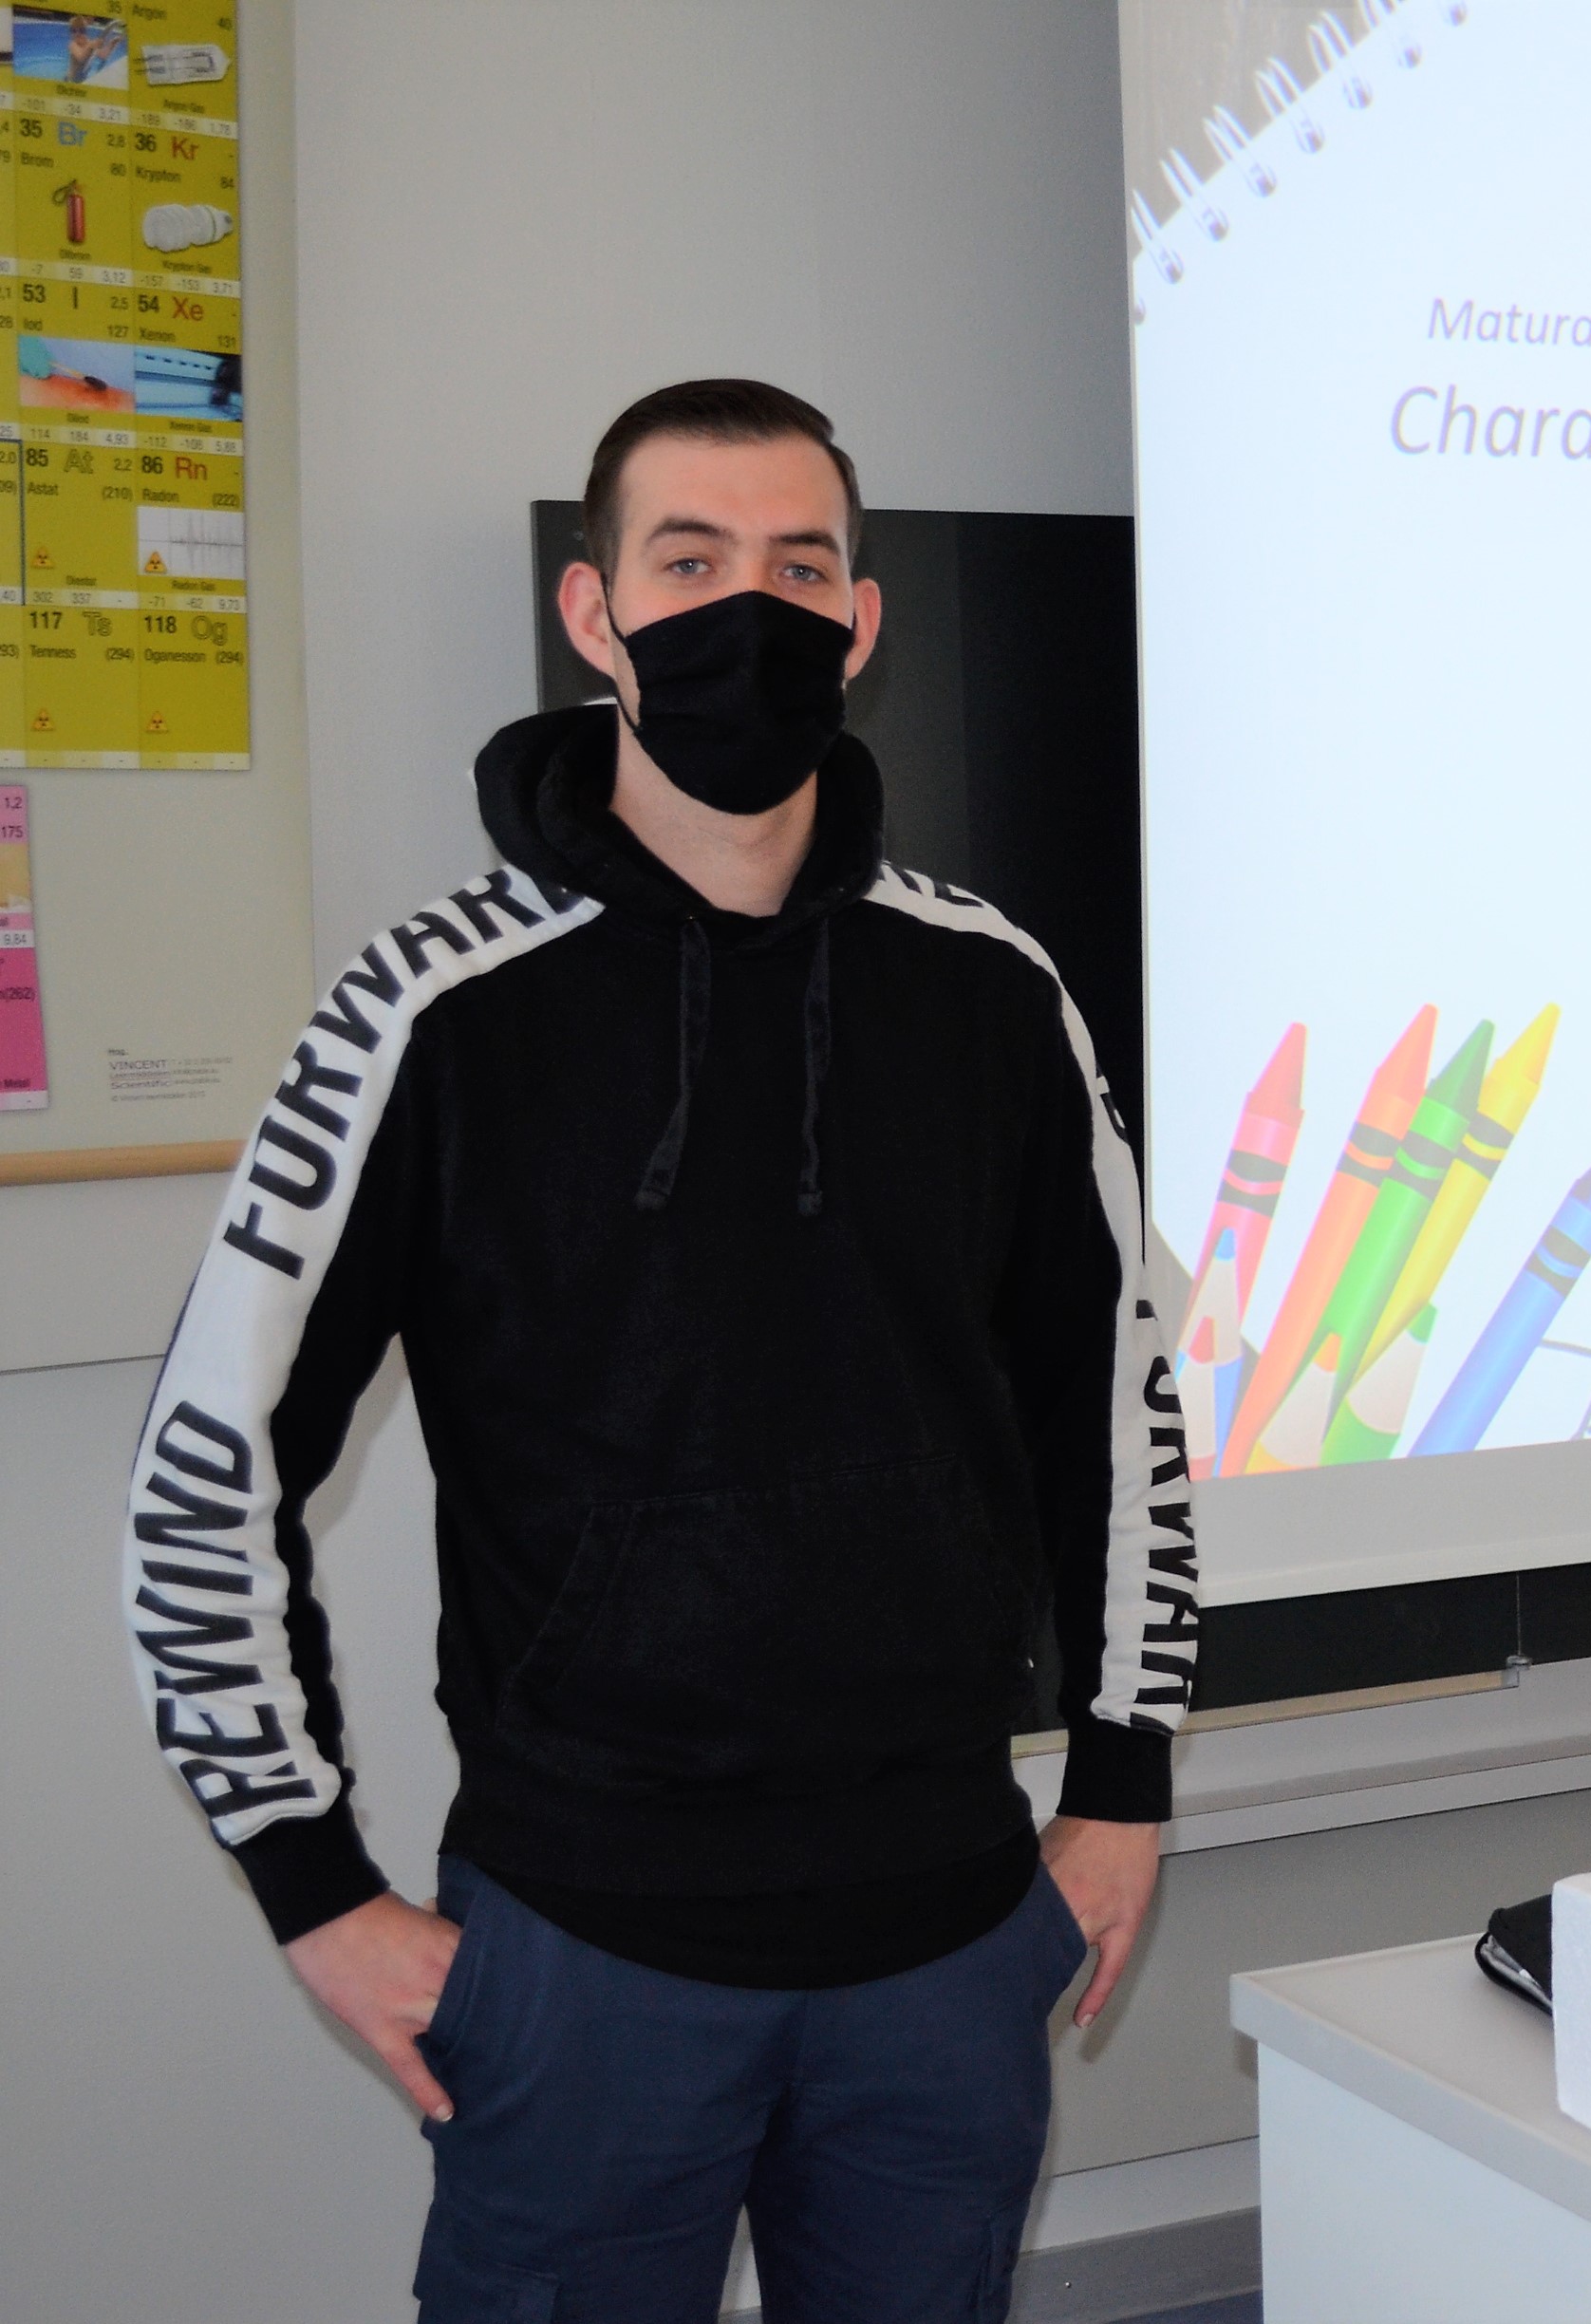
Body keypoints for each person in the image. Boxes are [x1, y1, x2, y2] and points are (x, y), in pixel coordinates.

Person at [118, 378, 1199, 2321]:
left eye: (800, 567)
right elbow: (207, 1465)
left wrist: (1123, 1786)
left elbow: (1113, 1408)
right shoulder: (426, 1010)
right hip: (586, 1954)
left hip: (948, 1947)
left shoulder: (992, 988)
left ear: (862, 621)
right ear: (593, 611)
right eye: (689, 564)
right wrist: (313, 1888)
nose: (748, 612)